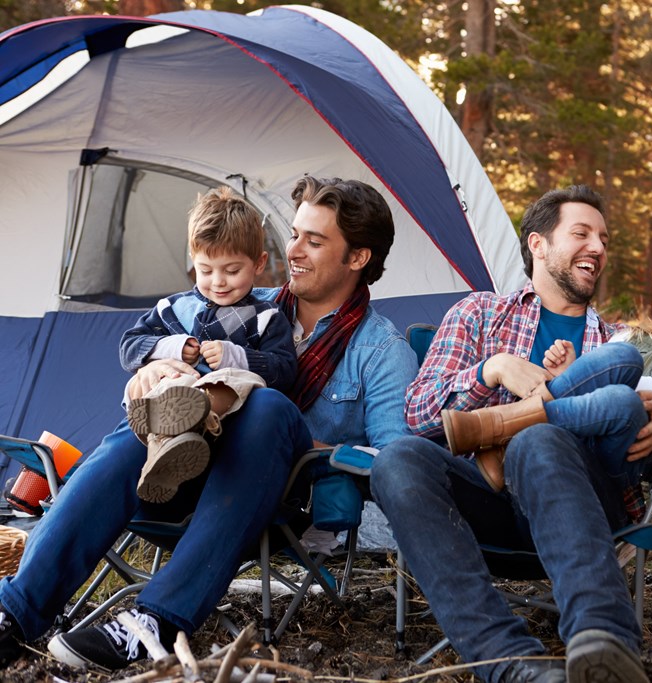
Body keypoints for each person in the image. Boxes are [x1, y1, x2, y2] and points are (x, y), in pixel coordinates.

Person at [0, 176, 418, 673]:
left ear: (358, 258)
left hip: (284, 501)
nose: (295, 250)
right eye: (295, 233)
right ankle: (15, 611)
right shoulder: (238, 305)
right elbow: (149, 355)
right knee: (149, 432)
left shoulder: (383, 352)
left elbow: (398, 468)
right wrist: (150, 374)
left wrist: (309, 449)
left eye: (315, 239)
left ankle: (156, 620)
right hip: (184, 474)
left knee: (266, 407)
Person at [371, 185, 652, 683]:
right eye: (581, 233)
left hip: (584, 499)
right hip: (490, 502)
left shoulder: (618, 337)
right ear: (537, 244)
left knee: (552, 430)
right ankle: (508, 662)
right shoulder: (478, 314)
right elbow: (418, 413)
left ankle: (604, 641)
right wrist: (490, 371)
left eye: (603, 239)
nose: (598, 248)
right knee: (396, 460)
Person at [442, 300, 652, 490]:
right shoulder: (630, 335)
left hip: (623, 450)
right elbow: (599, 370)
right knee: (622, 362)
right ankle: (503, 447)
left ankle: (500, 429)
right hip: (581, 435)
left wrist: (614, 382)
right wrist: (575, 371)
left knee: (624, 393)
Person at [119, 186, 297, 503]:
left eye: (232, 270)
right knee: (170, 378)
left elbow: (284, 370)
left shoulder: (266, 316)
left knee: (240, 379)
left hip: (227, 420)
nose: (218, 281)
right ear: (193, 262)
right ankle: (164, 452)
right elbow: (129, 347)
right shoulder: (172, 308)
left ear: (259, 263)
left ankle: (194, 422)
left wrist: (236, 357)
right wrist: (171, 348)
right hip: (175, 399)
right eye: (206, 270)